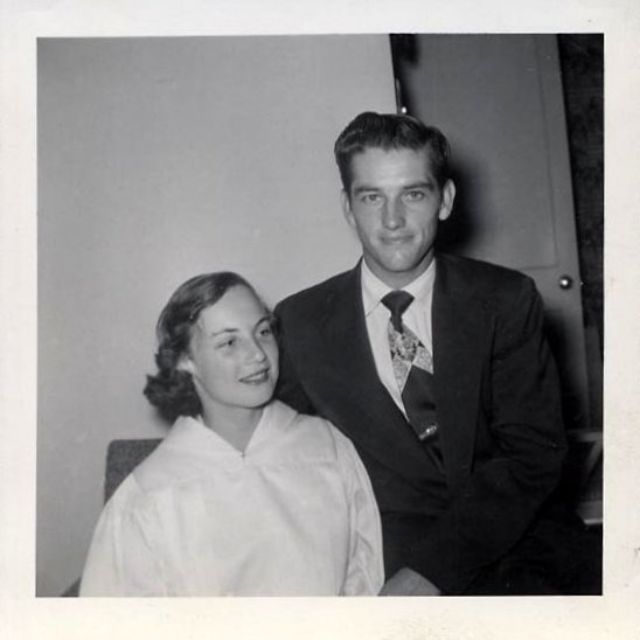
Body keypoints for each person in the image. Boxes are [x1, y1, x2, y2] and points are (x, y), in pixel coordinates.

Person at [275, 111, 599, 595]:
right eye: (371, 197)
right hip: (383, 562)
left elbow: (532, 456)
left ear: (445, 200)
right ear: (348, 207)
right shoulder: (301, 322)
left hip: (519, 546)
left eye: (413, 194)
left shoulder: (504, 300)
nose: (392, 220)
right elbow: (287, 464)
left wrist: (431, 571)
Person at [80, 272, 384, 596]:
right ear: (185, 360)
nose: (258, 354)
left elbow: (364, 576)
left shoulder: (328, 447)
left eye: (263, 331)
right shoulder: (148, 495)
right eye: (229, 342)